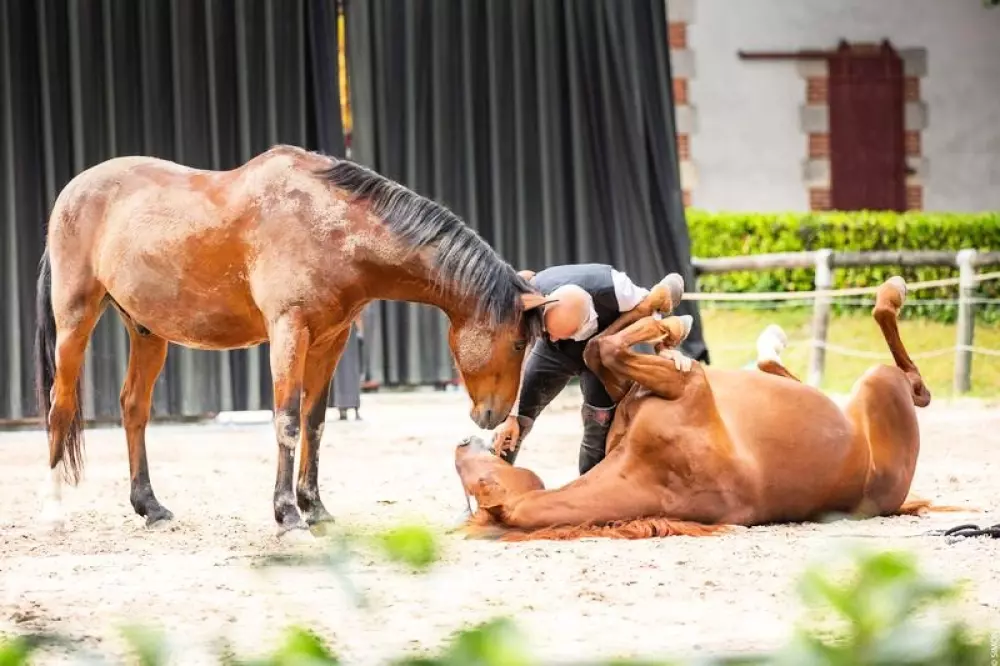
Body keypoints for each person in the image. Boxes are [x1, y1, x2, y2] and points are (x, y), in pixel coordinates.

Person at [492, 263, 679, 476]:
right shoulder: (533, 298)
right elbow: (516, 360)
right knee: (518, 418)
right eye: (549, 330)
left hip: (600, 356)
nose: (552, 336)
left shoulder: (617, 289)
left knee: (598, 425)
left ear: (585, 320)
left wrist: (664, 347)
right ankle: (493, 481)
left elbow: (652, 310)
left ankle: (588, 490)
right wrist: (511, 416)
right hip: (553, 353)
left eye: (560, 333)